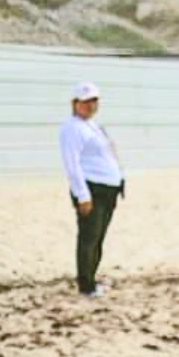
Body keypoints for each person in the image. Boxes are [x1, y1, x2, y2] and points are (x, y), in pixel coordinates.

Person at [60, 82, 125, 299]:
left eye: (94, 101)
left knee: (98, 238)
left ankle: (92, 278)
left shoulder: (93, 126)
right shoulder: (72, 128)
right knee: (89, 238)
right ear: (75, 103)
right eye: (86, 101)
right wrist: (83, 196)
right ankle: (85, 285)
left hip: (108, 188)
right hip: (92, 189)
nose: (91, 105)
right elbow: (73, 164)